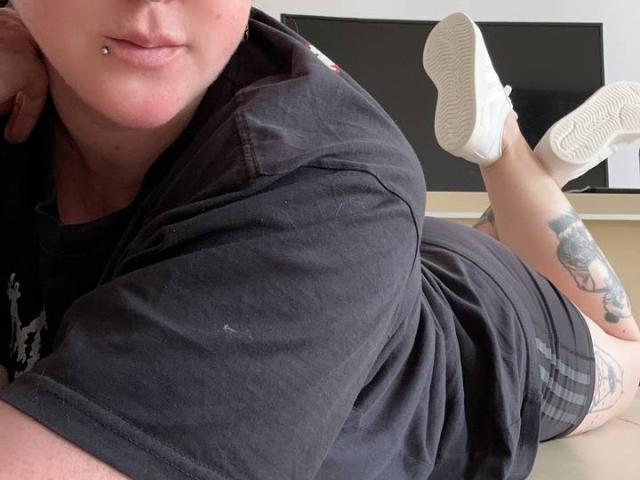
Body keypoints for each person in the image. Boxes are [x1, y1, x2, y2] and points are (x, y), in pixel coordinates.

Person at [0, 2, 638, 478]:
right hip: (394, 259)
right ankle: (530, 163)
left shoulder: (322, 190)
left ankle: (506, 146)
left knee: (626, 350)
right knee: (478, 237)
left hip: (483, 325)